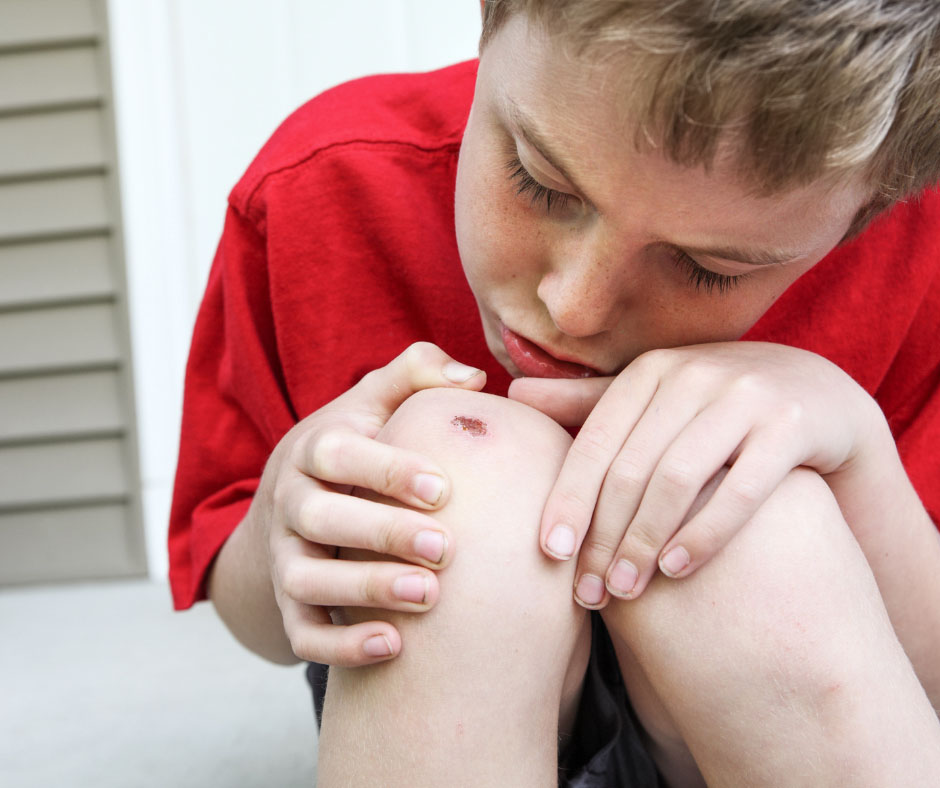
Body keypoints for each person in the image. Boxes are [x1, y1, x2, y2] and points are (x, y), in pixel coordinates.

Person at [168, 1, 940, 784]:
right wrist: (286, 516)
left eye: (711, 268)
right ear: (489, 20)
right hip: (442, 704)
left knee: (747, 506)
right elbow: (247, 613)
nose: (575, 306)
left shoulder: (922, 254)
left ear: (866, 209)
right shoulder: (324, 187)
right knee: (452, 468)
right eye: (539, 183)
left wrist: (856, 448)